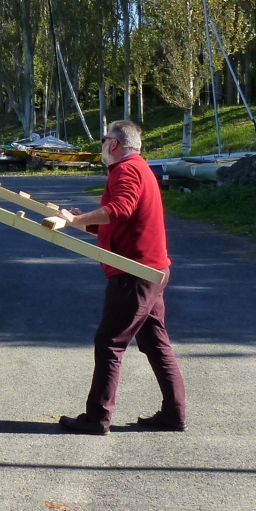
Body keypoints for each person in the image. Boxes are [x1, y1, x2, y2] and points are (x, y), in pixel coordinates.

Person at [57, 120, 186, 435]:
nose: (102, 147)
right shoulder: (139, 168)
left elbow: (121, 209)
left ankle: (97, 417)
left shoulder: (126, 170)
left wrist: (76, 219)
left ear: (114, 144)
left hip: (135, 272)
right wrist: (79, 222)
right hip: (151, 270)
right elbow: (119, 220)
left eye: (104, 141)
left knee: (109, 341)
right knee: (155, 342)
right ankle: (174, 413)